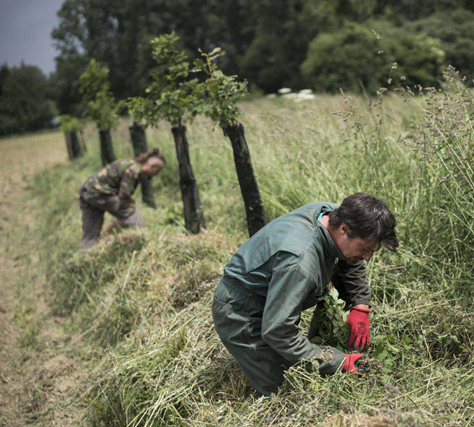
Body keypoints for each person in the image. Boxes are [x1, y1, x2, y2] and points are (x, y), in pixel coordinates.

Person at [212, 192, 399, 395]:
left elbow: (350, 260)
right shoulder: (300, 262)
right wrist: (338, 361)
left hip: (271, 291)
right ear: (344, 230)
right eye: (364, 249)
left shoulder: (332, 215)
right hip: (240, 310)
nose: (368, 258)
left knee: (306, 368)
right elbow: (278, 331)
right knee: (288, 388)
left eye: (372, 251)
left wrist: (360, 304)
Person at [79, 148, 166, 250]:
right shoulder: (134, 169)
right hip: (100, 194)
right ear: (153, 167)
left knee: (90, 234)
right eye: (158, 171)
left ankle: (85, 255)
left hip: (87, 192)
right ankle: (143, 239)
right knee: (130, 210)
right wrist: (131, 201)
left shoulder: (130, 163)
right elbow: (123, 194)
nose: (156, 174)